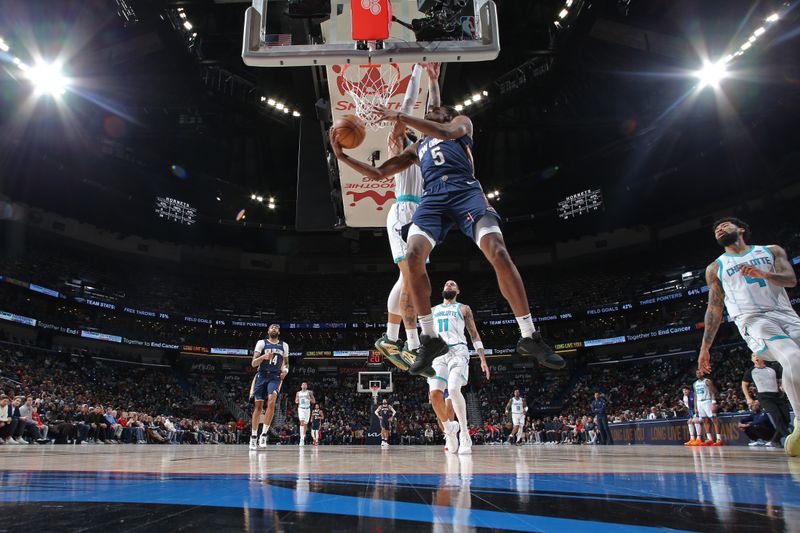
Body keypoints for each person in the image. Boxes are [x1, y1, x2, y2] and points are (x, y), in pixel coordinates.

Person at [330, 97, 564, 376]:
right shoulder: (418, 146)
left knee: (498, 252)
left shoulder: (460, 123)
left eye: (433, 110)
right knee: (414, 255)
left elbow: (445, 132)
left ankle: (529, 336)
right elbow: (380, 173)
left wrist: (400, 115)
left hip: (466, 192)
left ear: (446, 114)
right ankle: (429, 340)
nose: (429, 111)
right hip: (433, 200)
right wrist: (343, 157)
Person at [697, 217, 799, 455]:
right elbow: (714, 308)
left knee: (797, 361)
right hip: (753, 320)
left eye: (725, 225)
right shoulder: (716, 267)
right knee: (793, 357)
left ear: (741, 229)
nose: (719, 229)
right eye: (716, 230)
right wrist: (705, 347)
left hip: (787, 316)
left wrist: (765, 274)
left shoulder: (771, 251)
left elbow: (791, 279)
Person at [373, 63, 440, 376]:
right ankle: (407, 343)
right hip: (403, 210)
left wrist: (433, 80)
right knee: (409, 277)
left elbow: (433, 116)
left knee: (408, 278)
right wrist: (416, 72)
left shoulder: (426, 150)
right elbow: (406, 110)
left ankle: (395, 339)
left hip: (420, 214)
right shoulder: (399, 145)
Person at [426, 280, 490, 455]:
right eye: (446, 284)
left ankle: (464, 434)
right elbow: (427, 335)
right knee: (434, 395)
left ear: (458, 290)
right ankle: (450, 432)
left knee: (454, 390)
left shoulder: (464, 308)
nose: (448, 285)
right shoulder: (433, 310)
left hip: (458, 351)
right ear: (442, 290)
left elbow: (474, 334)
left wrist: (483, 359)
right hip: (438, 354)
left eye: (453, 284)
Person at [249, 324, 289, 450]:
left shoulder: (284, 345)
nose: (274, 329)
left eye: (276, 328)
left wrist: (285, 371)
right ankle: (253, 436)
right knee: (258, 407)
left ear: (279, 331)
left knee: (272, 402)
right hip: (261, 375)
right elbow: (253, 363)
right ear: (268, 331)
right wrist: (263, 357)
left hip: (275, 377)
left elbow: (286, 364)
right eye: (272, 328)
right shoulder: (261, 343)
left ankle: (264, 435)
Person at [742, 352, 791, 446]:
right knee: (778, 418)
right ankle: (789, 438)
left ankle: (775, 439)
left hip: (778, 395)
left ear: (763, 357)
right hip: (764, 397)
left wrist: (782, 385)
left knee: (787, 419)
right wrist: (748, 398)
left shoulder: (772, 368)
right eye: (753, 356)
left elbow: (781, 380)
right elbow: (744, 384)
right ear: (752, 359)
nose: (756, 357)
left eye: (757, 355)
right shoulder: (751, 371)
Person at [693, 370, 723, 446]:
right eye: (697, 373)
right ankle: (709, 439)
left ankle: (719, 439)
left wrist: (713, 403)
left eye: (699, 372)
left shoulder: (707, 381)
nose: (698, 374)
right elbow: (695, 396)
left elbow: (713, 392)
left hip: (707, 401)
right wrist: (695, 407)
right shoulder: (695, 383)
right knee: (705, 420)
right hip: (700, 403)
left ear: (703, 373)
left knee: (714, 419)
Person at [295, 382, 315, 447]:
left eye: (305, 385)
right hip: (301, 408)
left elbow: (314, 401)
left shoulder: (309, 392)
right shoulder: (298, 393)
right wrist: (297, 400)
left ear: (307, 386)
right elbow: (296, 401)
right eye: (303, 384)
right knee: (302, 422)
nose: (304, 385)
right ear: (301, 386)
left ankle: (303, 435)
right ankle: (301, 439)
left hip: (307, 409)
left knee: (306, 424)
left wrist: (310, 398)